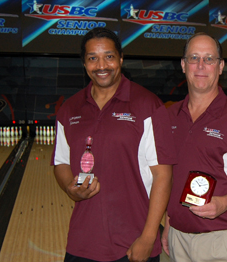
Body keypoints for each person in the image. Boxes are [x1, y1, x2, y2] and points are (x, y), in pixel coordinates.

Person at [51, 27, 175, 262]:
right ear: (84, 63)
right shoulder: (69, 109)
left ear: (120, 58)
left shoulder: (149, 105)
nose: (101, 65)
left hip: (133, 242)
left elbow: (163, 176)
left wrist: (148, 238)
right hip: (81, 243)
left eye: (108, 56)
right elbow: (60, 162)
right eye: (92, 58)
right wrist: (70, 188)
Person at [161, 32, 227, 262]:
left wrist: (224, 203)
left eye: (209, 59)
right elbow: (170, 176)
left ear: (220, 67)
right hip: (178, 236)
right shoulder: (169, 116)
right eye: (194, 58)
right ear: (183, 65)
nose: (201, 65)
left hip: (222, 237)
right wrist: (170, 222)